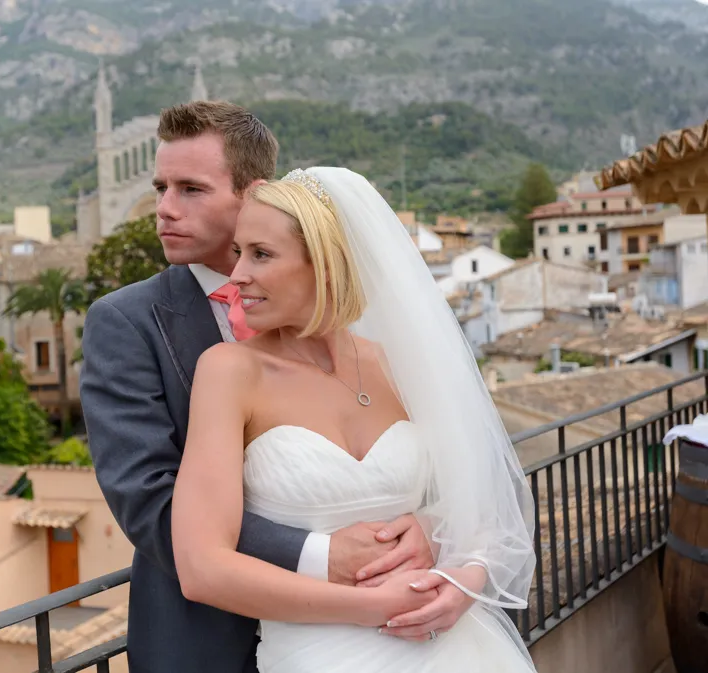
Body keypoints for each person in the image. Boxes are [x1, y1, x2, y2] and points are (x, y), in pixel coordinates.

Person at [80, 103, 472, 673]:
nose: (163, 209)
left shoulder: (361, 319)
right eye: (160, 187)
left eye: (190, 189)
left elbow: (452, 468)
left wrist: (427, 530)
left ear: (253, 191)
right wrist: (323, 556)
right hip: (208, 644)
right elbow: (149, 499)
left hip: (393, 634)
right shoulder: (126, 322)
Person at [170, 167, 538, 672]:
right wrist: (370, 607)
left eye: (261, 254)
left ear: (324, 265)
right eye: (240, 252)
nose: (236, 276)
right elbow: (202, 569)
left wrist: (462, 584)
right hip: (322, 654)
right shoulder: (230, 372)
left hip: (455, 646)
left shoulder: (399, 364)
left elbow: (491, 506)